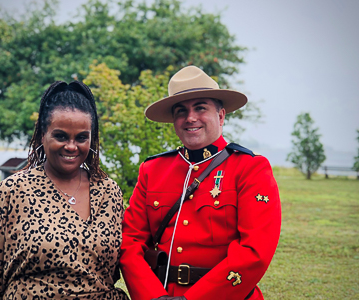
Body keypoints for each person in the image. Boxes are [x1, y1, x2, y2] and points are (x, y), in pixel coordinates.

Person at [120, 66, 281, 300]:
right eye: (181, 111)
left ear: (221, 115)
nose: (190, 118)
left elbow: (254, 251)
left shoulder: (249, 168)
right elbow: (131, 241)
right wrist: (152, 297)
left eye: (200, 108)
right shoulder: (153, 170)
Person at [0, 81, 129, 300]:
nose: (71, 146)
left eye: (81, 138)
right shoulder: (13, 190)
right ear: (42, 135)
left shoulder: (108, 191)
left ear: (91, 139)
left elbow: (114, 269)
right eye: (60, 136)